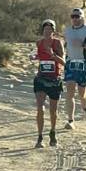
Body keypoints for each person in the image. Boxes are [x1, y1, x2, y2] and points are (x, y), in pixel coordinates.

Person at [62, 7, 86, 126]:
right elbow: (65, 45)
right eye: (73, 16)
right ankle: (70, 120)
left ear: (82, 17)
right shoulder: (67, 30)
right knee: (70, 93)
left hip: (83, 64)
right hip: (70, 64)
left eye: (77, 16)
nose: (75, 19)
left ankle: (85, 107)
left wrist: (83, 45)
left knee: (82, 94)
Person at [32, 19, 64, 148]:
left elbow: (63, 62)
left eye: (50, 30)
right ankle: (40, 137)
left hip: (54, 79)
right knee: (40, 107)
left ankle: (52, 132)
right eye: (45, 29)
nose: (47, 32)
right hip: (41, 78)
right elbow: (39, 56)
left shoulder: (58, 43)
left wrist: (53, 55)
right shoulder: (39, 43)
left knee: (53, 110)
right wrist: (34, 57)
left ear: (53, 31)